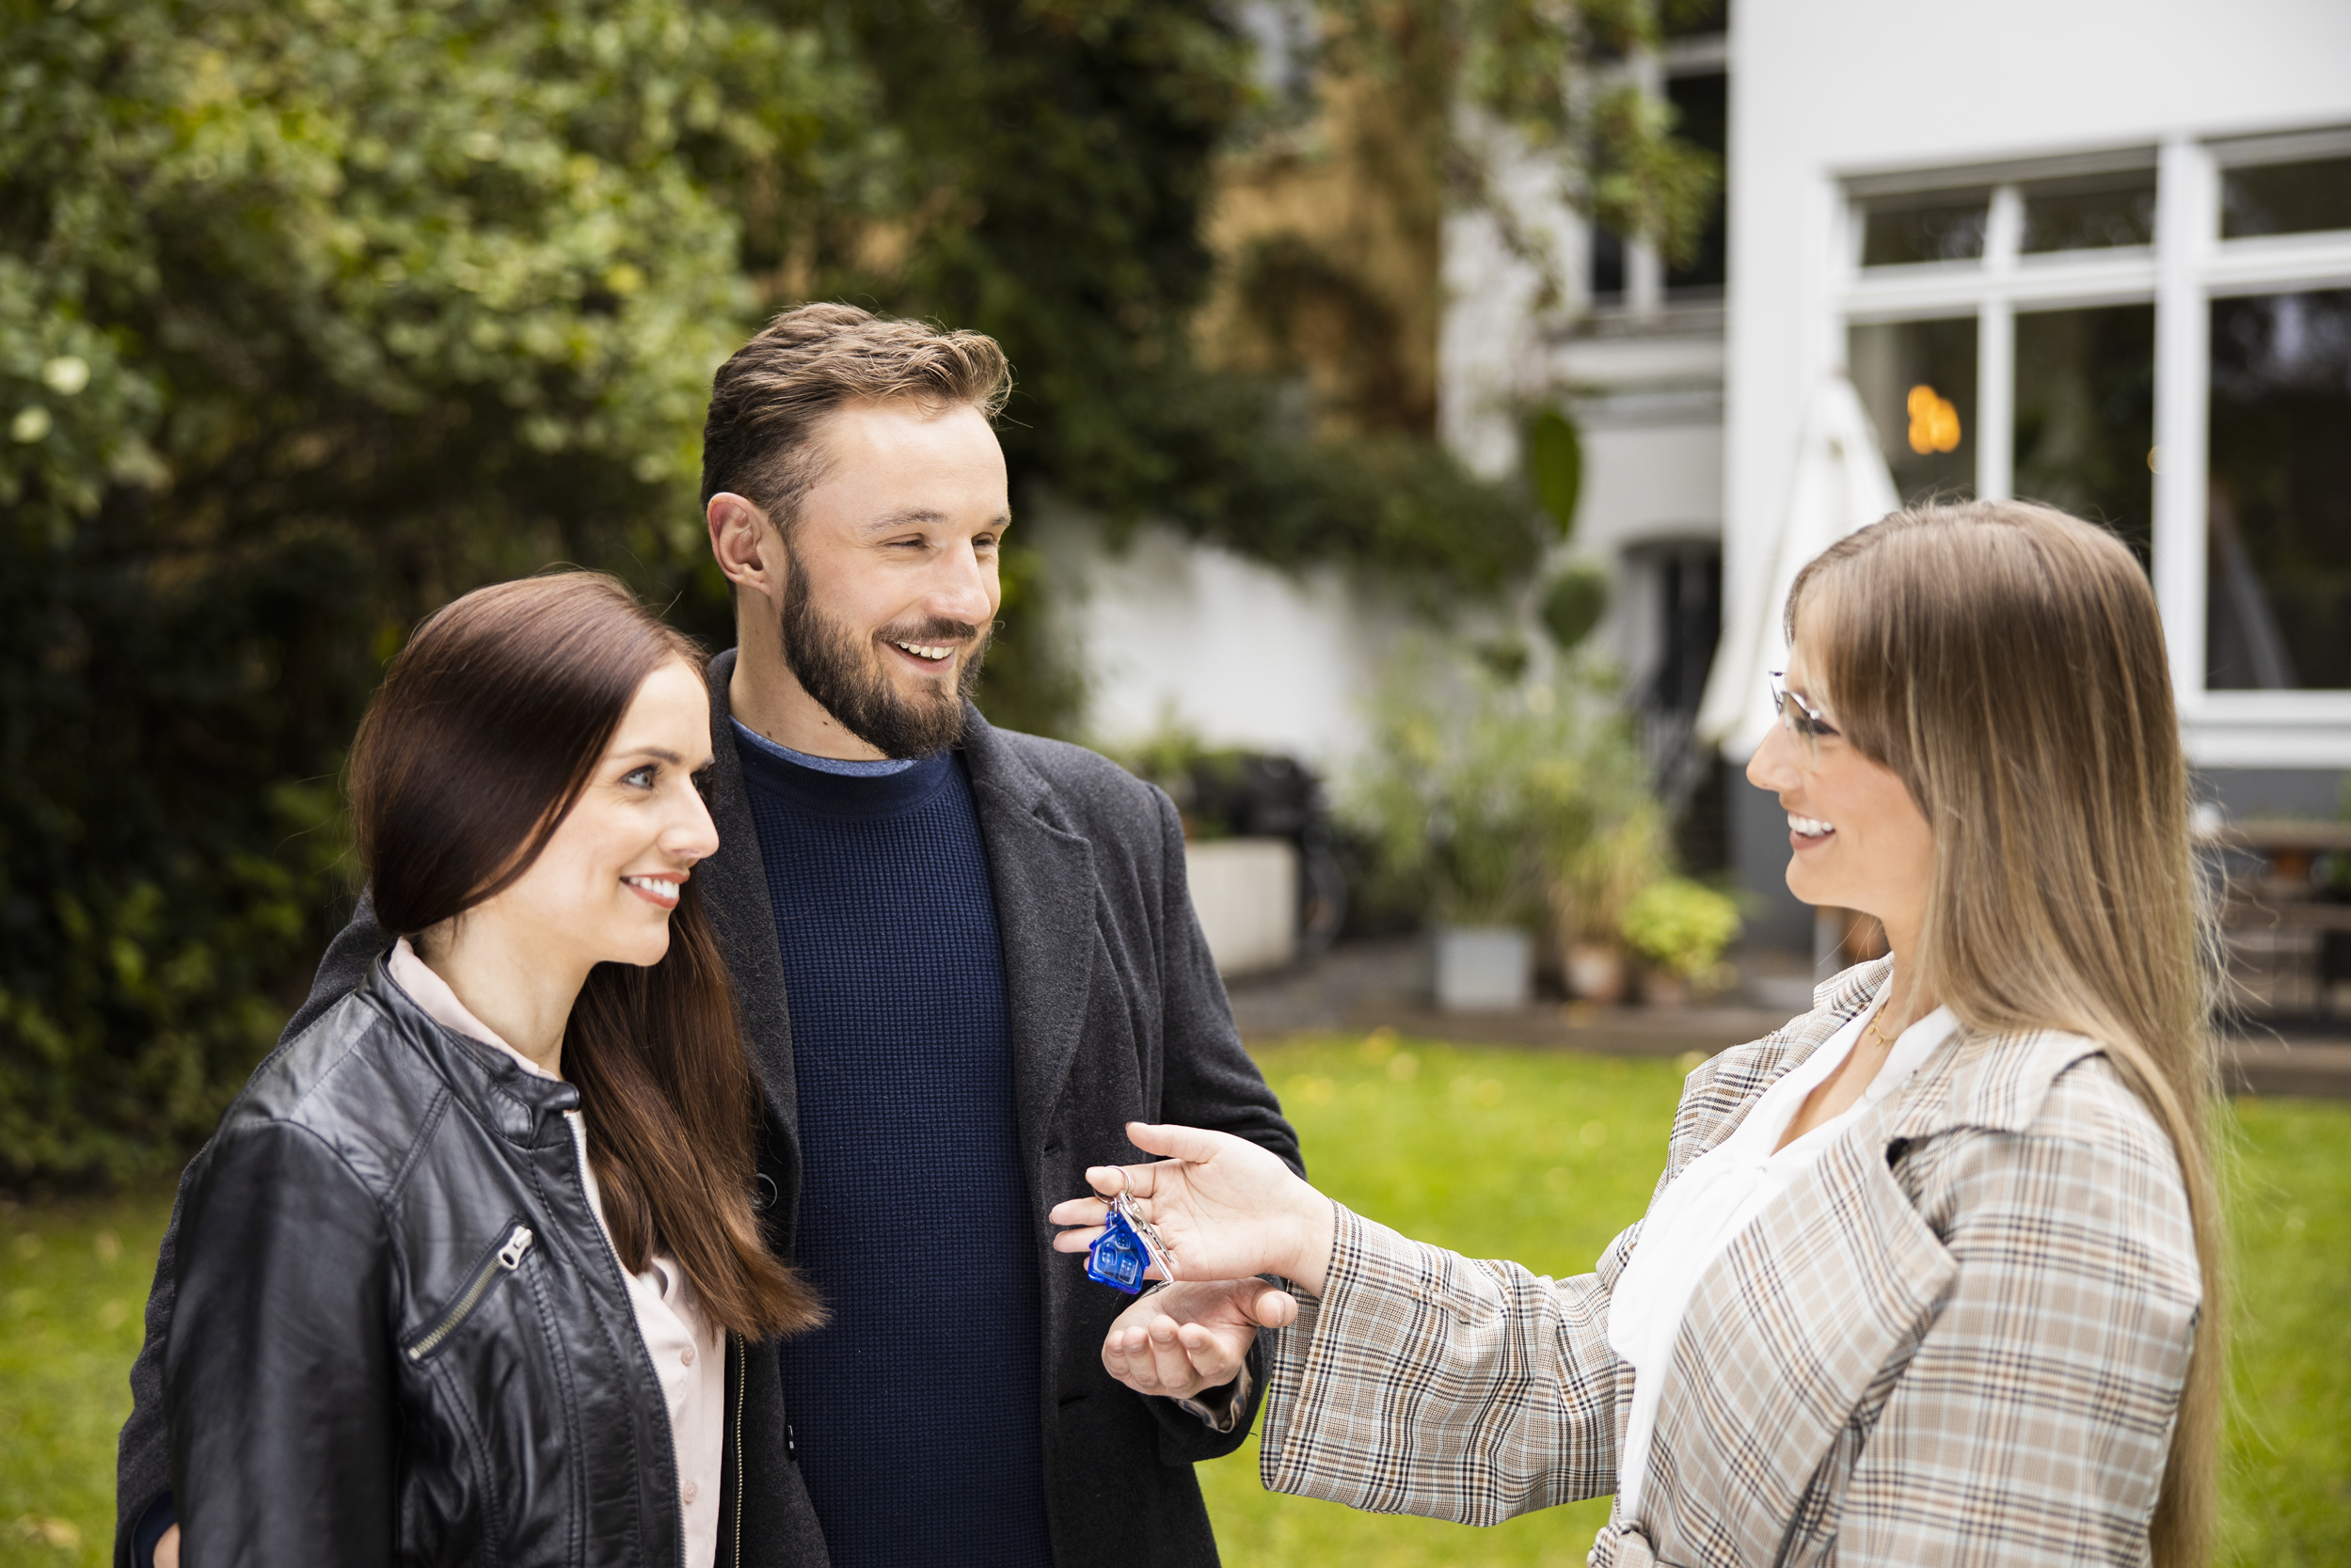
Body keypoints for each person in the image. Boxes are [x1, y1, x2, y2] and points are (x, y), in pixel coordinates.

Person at [118, 304, 1298, 1568]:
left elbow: (1236, 1158)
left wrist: (1210, 1342)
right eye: (908, 543)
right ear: (748, 542)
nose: (964, 595)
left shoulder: (1110, 827)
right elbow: (318, 1178)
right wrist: (187, 1512)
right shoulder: (583, 840)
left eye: (986, 541)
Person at [1052, 502, 2220, 1568]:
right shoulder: (1830, 1044)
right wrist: (1305, 1234)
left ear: (1986, 761)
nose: (1766, 764)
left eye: (1814, 721)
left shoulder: (2058, 1157)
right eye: (1780, 702)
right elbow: (1597, 1371)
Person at [157, 573, 824, 1565]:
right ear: (484, 792)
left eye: (698, 779)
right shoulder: (311, 1158)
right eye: (642, 776)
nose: (700, 833)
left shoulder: (648, 1083)